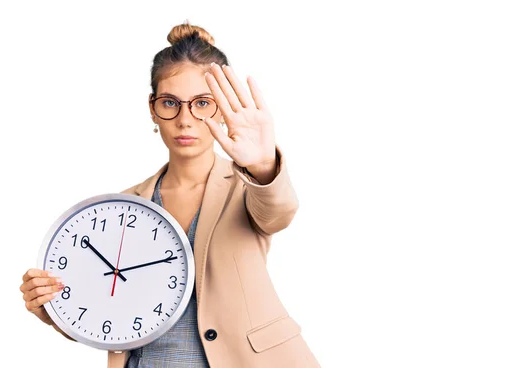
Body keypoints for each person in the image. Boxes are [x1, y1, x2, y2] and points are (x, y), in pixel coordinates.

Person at [19, 22, 320, 367]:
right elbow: (109, 310)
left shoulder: (249, 185)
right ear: (152, 108)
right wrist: (54, 308)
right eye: (170, 102)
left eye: (202, 103)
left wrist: (264, 165)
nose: (185, 119)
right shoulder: (122, 207)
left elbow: (279, 211)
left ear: (221, 109)